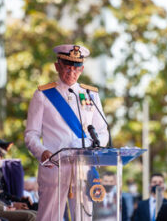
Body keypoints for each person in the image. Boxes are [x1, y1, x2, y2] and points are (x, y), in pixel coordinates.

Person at [24, 44, 109, 220]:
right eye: (67, 68)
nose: (72, 73)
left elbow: (102, 131)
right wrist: (42, 153)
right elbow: (31, 134)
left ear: (82, 69)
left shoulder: (90, 95)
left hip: (83, 168)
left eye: (76, 69)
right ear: (57, 66)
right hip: (54, 166)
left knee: (83, 217)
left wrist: (96, 148)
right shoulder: (43, 95)